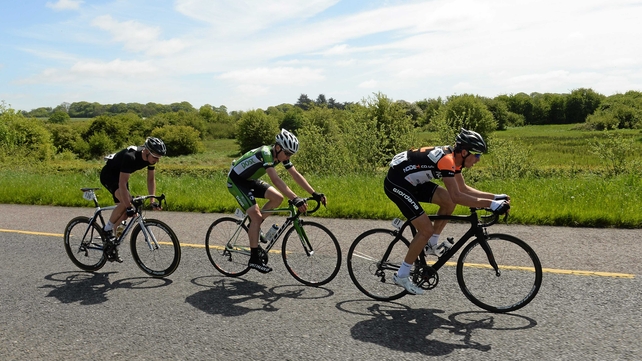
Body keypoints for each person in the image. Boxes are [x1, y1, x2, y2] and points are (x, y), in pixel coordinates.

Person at [384, 128, 510, 295]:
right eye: (477, 155)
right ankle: (402, 275)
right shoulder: (447, 160)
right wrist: (491, 204)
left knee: (448, 201)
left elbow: (463, 189)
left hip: (412, 181)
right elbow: (458, 195)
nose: (478, 160)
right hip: (397, 184)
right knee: (425, 229)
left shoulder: (455, 160)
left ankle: (431, 243)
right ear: (464, 152)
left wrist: (495, 197)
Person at [227, 128, 327, 273]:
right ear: (278, 147)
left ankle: (254, 226)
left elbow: (295, 175)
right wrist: (295, 198)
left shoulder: (281, 155)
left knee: (277, 198)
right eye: (287, 153)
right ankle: (253, 259)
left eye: (290, 155)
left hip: (249, 180)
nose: (287, 157)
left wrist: (314, 193)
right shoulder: (266, 153)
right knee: (255, 215)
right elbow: (275, 179)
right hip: (236, 182)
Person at [99, 137, 166, 262]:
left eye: (159, 158)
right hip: (109, 175)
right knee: (127, 204)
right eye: (155, 157)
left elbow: (151, 180)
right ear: (147, 151)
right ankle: (106, 230)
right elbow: (122, 184)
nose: (156, 160)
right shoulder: (131, 156)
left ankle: (112, 246)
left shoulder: (151, 160)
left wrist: (152, 201)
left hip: (121, 177)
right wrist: (129, 206)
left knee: (124, 215)